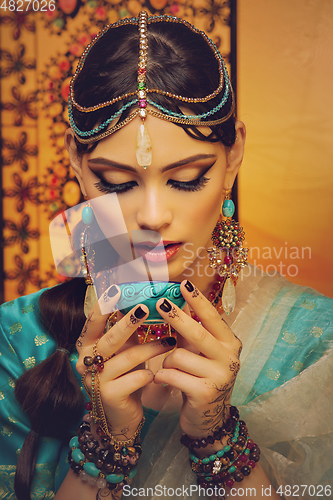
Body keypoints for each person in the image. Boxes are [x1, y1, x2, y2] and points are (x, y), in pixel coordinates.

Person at [0, 10, 332, 500]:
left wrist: (218, 439)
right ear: (75, 162)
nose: (153, 215)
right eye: (116, 183)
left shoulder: (312, 340)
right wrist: (105, 445)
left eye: (187, 178)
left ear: (234, 156)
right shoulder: (18, 337)